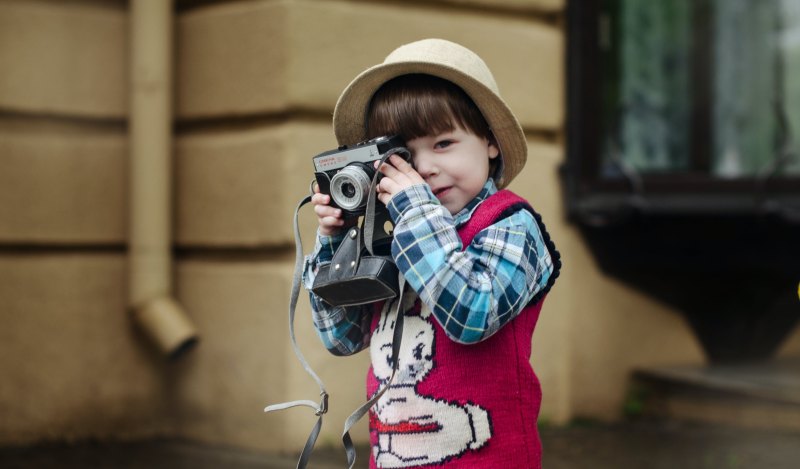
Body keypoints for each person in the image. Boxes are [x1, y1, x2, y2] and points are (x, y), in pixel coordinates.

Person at [303, 38, 560, 469]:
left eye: (443, 144)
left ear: (490, 141)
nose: (423, 169)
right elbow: (340, 337)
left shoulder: (512, 224)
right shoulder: (394, 233)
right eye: (403, 155)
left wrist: (416, 213)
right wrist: (335, 241)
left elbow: (472, 315)